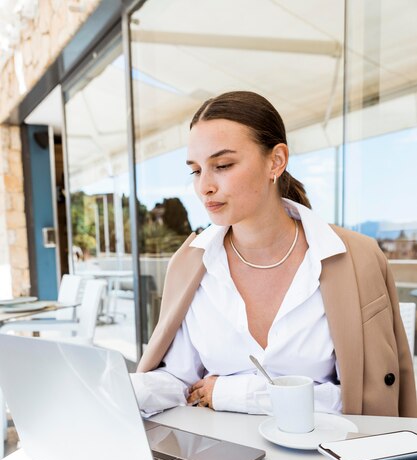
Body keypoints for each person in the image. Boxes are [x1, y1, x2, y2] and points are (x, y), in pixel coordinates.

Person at [130, 91, 417, 418]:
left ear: (276, 161)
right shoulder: (190, 262)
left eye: (222, 165)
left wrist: (235, 393)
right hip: (220, 457)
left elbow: (365, 399)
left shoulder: (356, 258)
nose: (204, 187)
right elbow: (179, 379)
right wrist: (117, 387)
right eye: (196, 170)